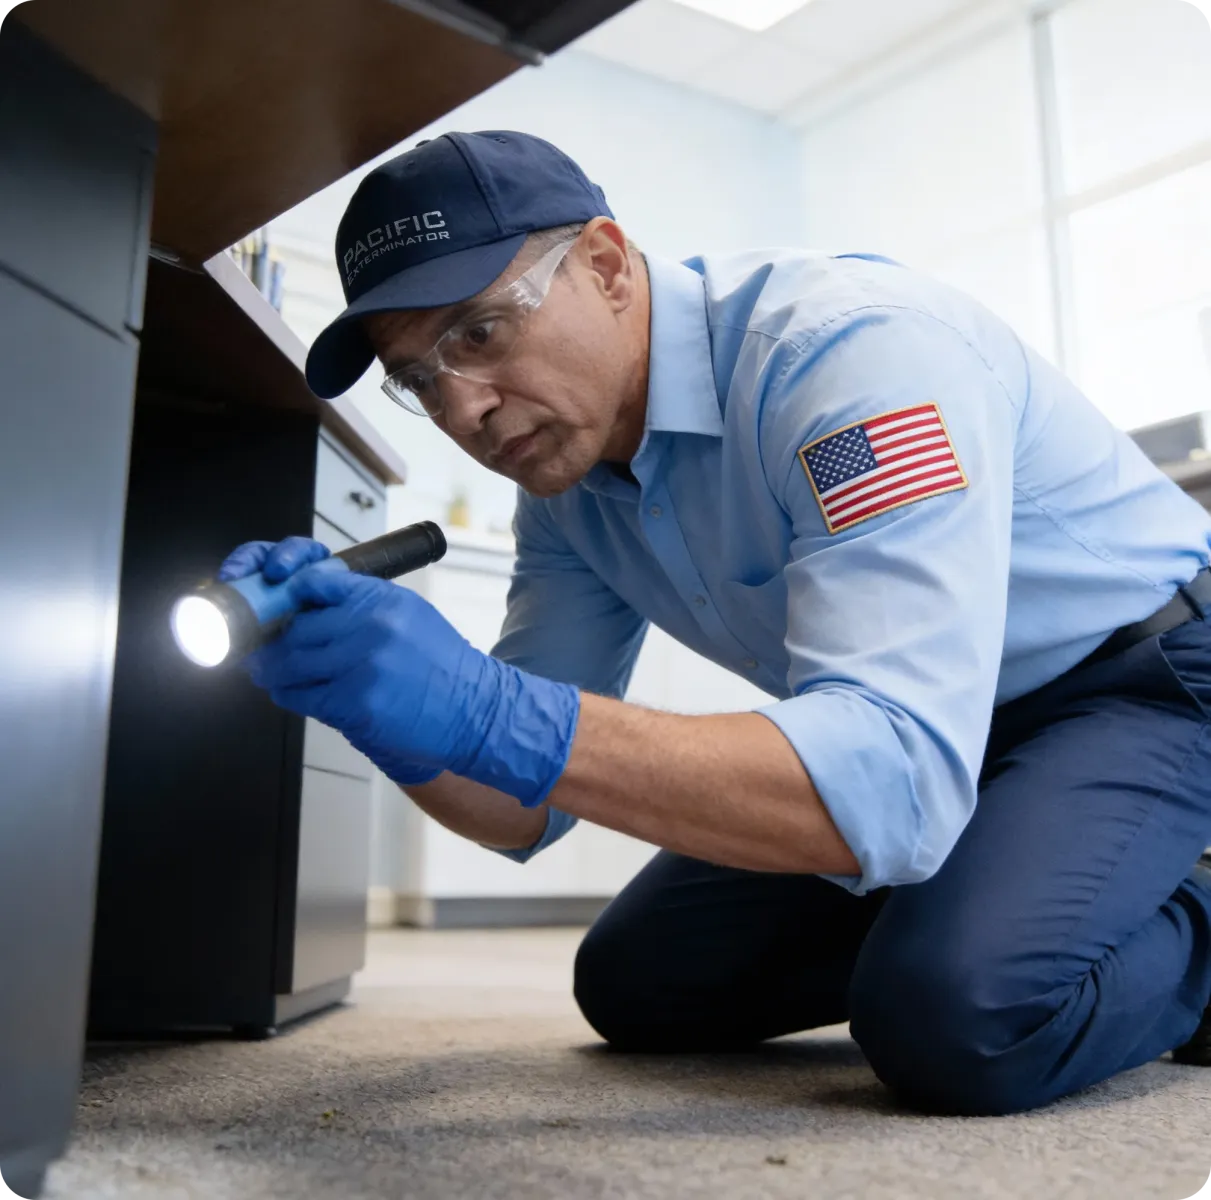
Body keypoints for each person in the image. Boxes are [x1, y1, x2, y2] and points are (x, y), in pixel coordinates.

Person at [220, 130, 1211, 1114]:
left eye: (478, 333)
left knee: (956, 1017)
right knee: (639, 987)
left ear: (606, 265)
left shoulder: (848, 359)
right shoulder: (564, 491)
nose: (462, 409)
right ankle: (1014, 885)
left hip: (1139, 680)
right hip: (943, 727)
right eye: (418, 379)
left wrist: (481, 706)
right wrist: (379, 707)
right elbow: (523, 807)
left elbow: (894, 773)